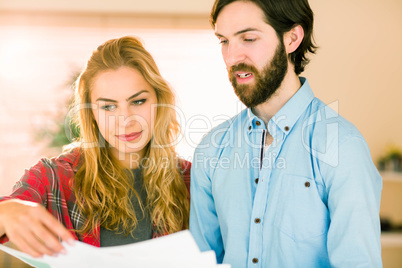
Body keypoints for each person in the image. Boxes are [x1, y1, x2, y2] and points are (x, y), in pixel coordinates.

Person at [189, 0, 382, 267]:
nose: (232, 57)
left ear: (292, 39)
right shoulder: (211, 149)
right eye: (224, 41)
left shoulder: (342, 146)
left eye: (248, 38)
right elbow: (202, 260)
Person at [0, 36, 191, 257]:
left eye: (138, 101)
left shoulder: (192, 181)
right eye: (109, 107)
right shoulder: (53, 177)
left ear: (159, 101)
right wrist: (8, 211)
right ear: (91, 113)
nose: (125, 120)